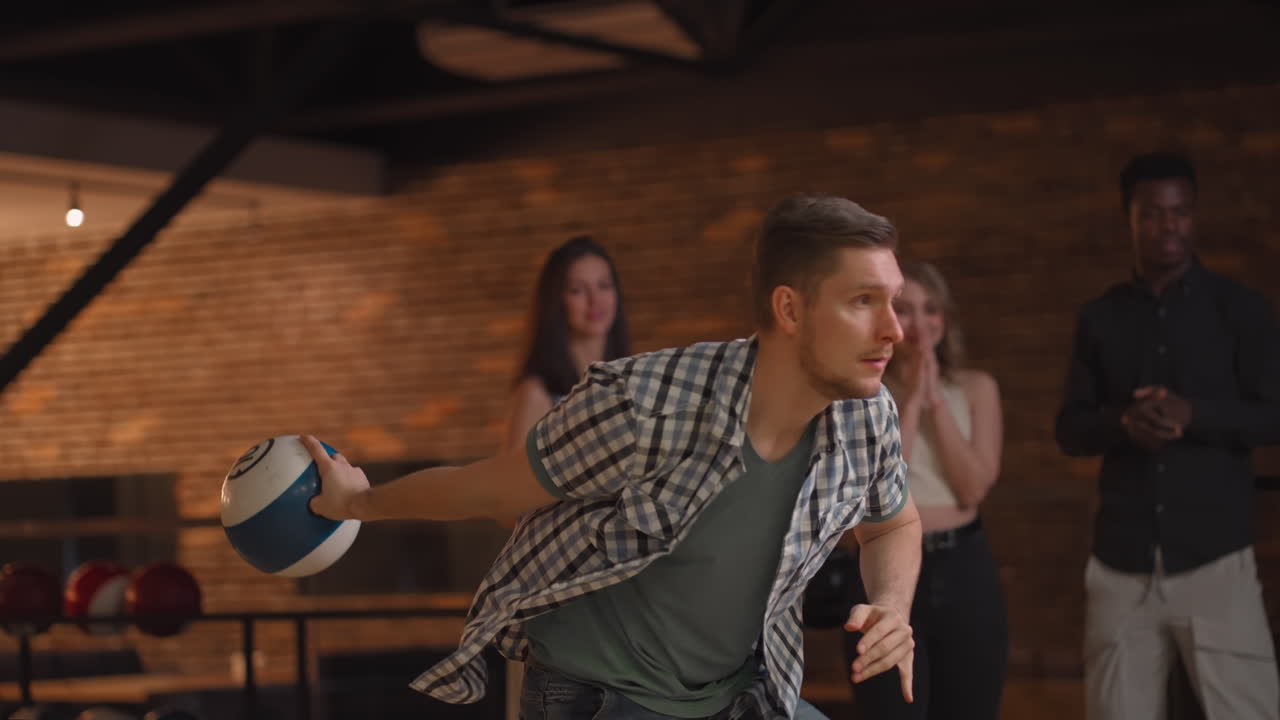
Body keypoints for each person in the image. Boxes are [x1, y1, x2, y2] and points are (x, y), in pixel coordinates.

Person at [304, 193, 924, 720]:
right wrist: (360, 500)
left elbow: (893, 524)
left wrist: (893, 605)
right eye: (863, 301)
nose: (895, 329)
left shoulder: (866, 417)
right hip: (596, 694)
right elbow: (490, 488)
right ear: (790, 309)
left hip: (729, 695)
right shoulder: (644, 403)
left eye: (892, 301)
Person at [1056, 151, 1280, 720]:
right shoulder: (1100, 318)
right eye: (1153, 213)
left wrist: (1193, 414)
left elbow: (1272, 416)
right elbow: (1071, 428)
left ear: (1194, 215)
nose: (1168, 225)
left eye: (1180, 212)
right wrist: (1122, 425)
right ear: (1130, 219)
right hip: (1120, 560)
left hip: (1215, 560)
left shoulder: (1240, 310)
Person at [843, 259, 1007, 719]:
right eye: (906, 309)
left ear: (945, 318)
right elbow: (881, 488)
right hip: (886, 567)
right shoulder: (864, 393)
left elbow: (972, 489)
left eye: (930, 309)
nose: (920, 322)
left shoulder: (977, 388)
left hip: (964, 566)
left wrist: (936, 402)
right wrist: (910, 400)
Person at [505, 235, 632, 451]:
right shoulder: (537, 393)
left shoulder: (629, 381)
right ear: (557, 300)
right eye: (577, 290)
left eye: (604, 285)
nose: (595, 300)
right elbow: (511, 481)